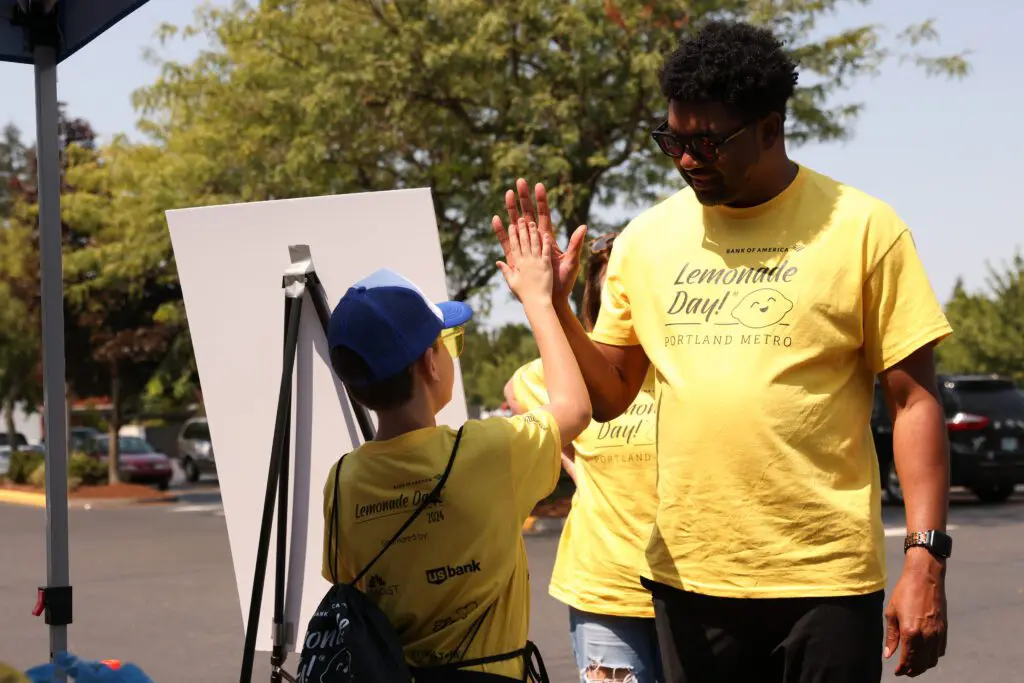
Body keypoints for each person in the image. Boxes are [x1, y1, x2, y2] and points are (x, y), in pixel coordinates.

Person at [492, 20, 953, 683]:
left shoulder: (863, 230)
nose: (685, 159)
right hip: (688, 581)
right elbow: (612, 393)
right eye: (672, 140)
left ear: (771, 128)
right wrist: (557, 309)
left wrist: (924, 558)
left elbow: (913, 402)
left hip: (824, 582)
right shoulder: (647, 239)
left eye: (706, 142)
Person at [321, 216, 592, 681]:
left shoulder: (343, 480)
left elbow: (347, 581)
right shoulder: (487, 450)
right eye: (449, 342)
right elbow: (573, 407)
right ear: (429, 361)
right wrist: (539, 301)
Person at [505, 231, 662, 682]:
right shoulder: (576, 374)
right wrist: (576, 463)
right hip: (603, 593)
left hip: (694, 589)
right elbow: (517, 392)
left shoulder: (682, 366)